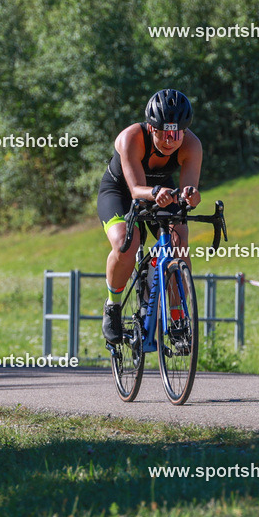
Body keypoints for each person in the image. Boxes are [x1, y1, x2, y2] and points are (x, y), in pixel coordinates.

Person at [98, 89, 202, 344]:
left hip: (161, 192)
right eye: (164, 133)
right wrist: (155, 192)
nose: (170, 140)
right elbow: (135, 190)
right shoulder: (131, 137)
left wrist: (191, 196)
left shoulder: (192, 145)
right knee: (126, 243)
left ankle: (177, 316)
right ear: (151, 127)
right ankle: (112, 305)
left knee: (179, 243)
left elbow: (189, 192)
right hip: (120, 192)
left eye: (177, 133)